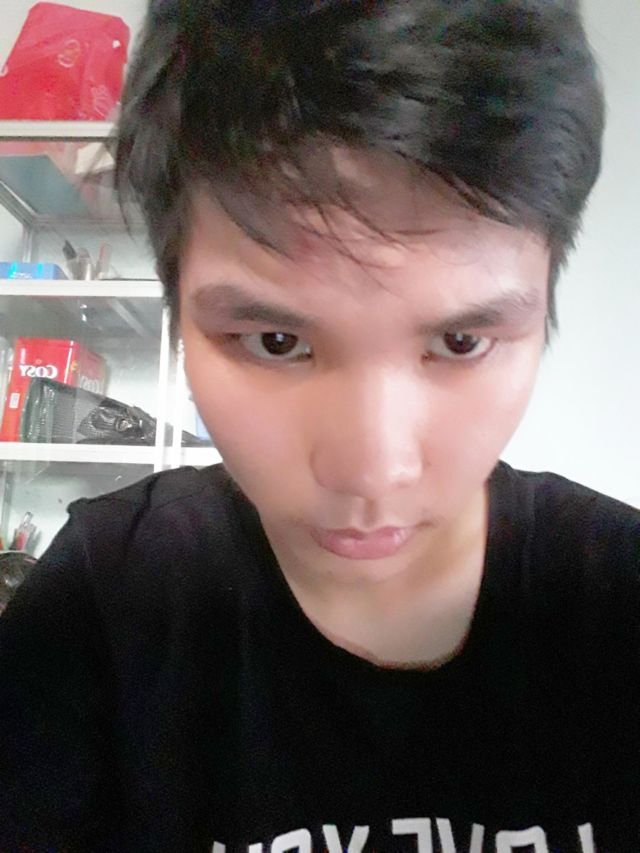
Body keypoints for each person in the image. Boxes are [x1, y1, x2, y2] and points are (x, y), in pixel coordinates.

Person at [1, 0, 638, 851]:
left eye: (460, 342)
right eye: (277, 341)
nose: (371, 468)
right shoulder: (109, 603)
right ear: (176, 304)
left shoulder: (618, 599)